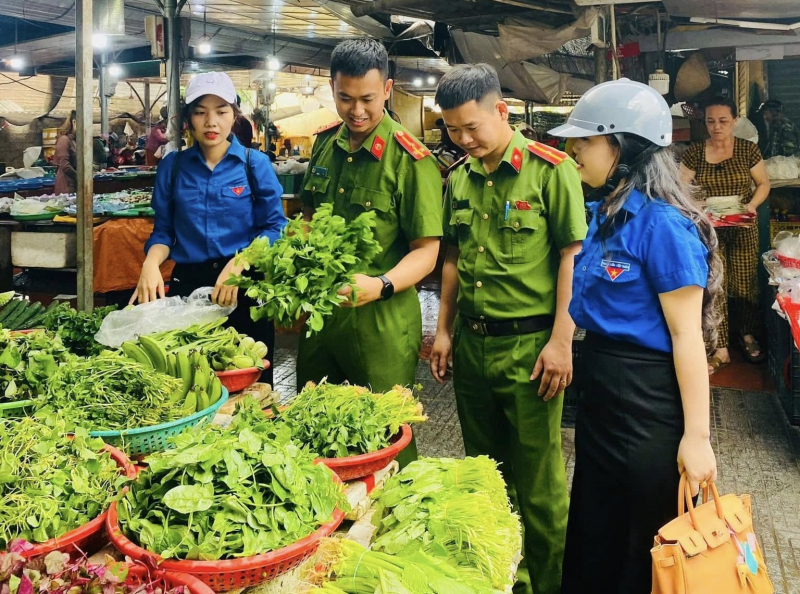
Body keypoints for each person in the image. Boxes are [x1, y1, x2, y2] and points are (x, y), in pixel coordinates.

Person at [548, 79, 720, 594]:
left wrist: (698, 439)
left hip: (648, 404)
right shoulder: (602, 216)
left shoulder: (663, 226)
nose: (573, 150)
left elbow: (688, 337)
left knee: (643, 536)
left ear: (620, 148)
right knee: (596, 526)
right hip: (602, 397)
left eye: (585, 141)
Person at [430, 63, 587, 594]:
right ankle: (504, 581)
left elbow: (572, 257)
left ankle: (550, 583)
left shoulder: (550, 170)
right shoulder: (459, 177)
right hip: (472, 346)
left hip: (531, 349)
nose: (464, 139)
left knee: (539, 482)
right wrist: (445, 330)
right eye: (452, 130)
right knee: (485, 476)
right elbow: (450, 258)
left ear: (501, 110)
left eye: (472, 127)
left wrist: (562, 340)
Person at [296, 39, 443, 454]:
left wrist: (379, 285)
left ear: (388, 89)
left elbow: (427, 251)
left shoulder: (409, 160)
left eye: (367, 99)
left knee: (385, 438)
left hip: (382, 322)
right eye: (345, 98)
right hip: (323, 319)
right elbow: (308, 220)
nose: (357, 111)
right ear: (332, 88)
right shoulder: (324, 145)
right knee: (315, 425)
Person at [132, 72, 287, 385]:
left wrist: (239, 263)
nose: (211, 122)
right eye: (201, 112)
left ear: (234, 116)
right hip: (190, 288)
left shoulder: (253, 164)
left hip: (244, 287)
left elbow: (275, 227)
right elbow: (164, 232)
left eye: (221, 111)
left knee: (251, 386)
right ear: (188, 119)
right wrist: (150, 262)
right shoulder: (172, 167)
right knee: (193, 382)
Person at [680, 96, 770, 371]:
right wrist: (697, 204)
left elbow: (763, 183)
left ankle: (746, 334)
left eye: (722, 121)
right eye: (710, 121)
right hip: (710, 229)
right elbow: (680, 187)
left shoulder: (747, 150)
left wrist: (752, 207)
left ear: (734, 121)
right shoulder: (694, 153)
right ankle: (720, 346)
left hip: (743, 226)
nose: (716, 127)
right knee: (714, 284)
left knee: (744, 283)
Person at [54, 110, 78, 195]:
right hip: (66, 186)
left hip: (73, 184)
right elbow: (65, 165)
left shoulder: (73, 140)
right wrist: (80, 177)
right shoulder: (64, 140)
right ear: (74, 122)